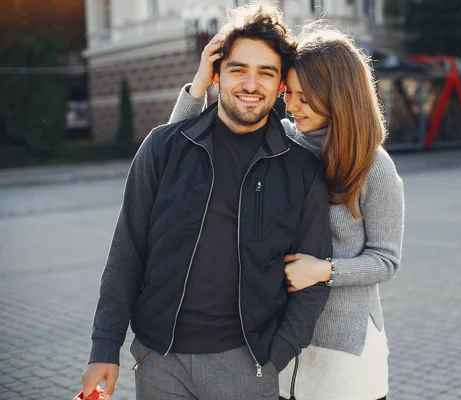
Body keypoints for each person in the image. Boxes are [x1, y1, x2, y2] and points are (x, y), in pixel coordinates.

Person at [81, 4, 333, 400]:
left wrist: (276, 357)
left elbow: (313, 280)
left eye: (265, 72)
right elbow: (126, 251)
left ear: (281, 85)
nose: (251, 83)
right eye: (238, 69)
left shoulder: (302, 169)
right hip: (159, 360)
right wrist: (104, 347)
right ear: (216, 74)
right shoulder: (163, 147)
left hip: (247, 365)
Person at [169, 23, 405, 400]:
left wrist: (323, 271)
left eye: (304, 97)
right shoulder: (283, 139)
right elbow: (176, 152)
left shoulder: (374, 166)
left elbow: (387, 259)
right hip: (278, 338)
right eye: (289, 93)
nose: (291, 106)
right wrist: (199, 85)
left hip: (342, 349)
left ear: (337, 95)